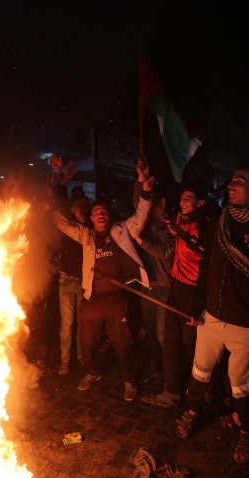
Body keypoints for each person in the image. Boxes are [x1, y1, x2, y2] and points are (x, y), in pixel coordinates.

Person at [174, 163, 249, 467]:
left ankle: (248, 432)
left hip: (245, 325)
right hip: (211, 317)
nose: (232, 185)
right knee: (200, 371)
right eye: (232, 181)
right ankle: (193, 411)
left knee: (241, 386)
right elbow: (206, 268)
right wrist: (197, 306)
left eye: (240, 181)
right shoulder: (218, 223)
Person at [50, 160, 154, 402]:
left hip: (116, 301)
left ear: (109, 216)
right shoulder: (85, 236)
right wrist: (52, 202)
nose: (100, 214)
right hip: (92, 299)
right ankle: (93, 372)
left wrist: (146, 192)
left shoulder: (120, 231)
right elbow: (61, 222)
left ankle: (129, 381)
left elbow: (140, 218)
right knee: (86, 343)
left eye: (104, 211)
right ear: (92, 219)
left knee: (122, 343)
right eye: (96, 212)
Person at [141, 179, 211, 409]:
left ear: (200, 202)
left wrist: (200, 304)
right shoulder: (177, 219)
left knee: (192, 344)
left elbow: (204, 255)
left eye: (188, 199)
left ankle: (198, 392)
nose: (182, 203)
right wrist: (143, 187)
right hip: (176, 287)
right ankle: (171, 392)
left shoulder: (204, 226)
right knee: (171, 342)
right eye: (181, 199)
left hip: (194, 291)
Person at [130, 160, 176, 385]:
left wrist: (140, 240)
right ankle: (151, 369)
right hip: (147, 285)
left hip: (164, 288)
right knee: (149, 334)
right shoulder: (144, 221)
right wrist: (140, 182)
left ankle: (171, 376)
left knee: (161, 336)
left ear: (164, 202)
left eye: (155, 200)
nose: (150, 205)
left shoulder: (170, 224)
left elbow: (166, 252)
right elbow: (138, 204)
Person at [50, 155, 91, 376]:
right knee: (67, 325)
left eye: (85, 205)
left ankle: (81, 355)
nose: (81, 209)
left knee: (82, 324)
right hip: (66, 279)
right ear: (72, 210)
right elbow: (58, 197)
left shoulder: (91, 231)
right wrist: (60, 177)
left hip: (85, 282)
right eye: (77, 206)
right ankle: (65, 360)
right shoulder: (68, 226)